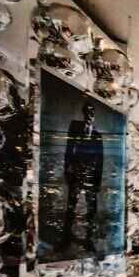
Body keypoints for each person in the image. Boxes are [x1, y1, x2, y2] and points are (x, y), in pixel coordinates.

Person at [62, 101, 102, 252]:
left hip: (91, 177)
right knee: (71, 207)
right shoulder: (75, 128)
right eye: (87, 111)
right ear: (83, 112)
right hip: (76, 175)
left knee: (91, 210)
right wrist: (67, 172)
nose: (90, 115)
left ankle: (88, 239)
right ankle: (66, 238)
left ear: (94, 116)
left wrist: (97, 182)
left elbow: (100, 160)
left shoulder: (97, 135)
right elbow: (68, 151)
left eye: (92, 112)